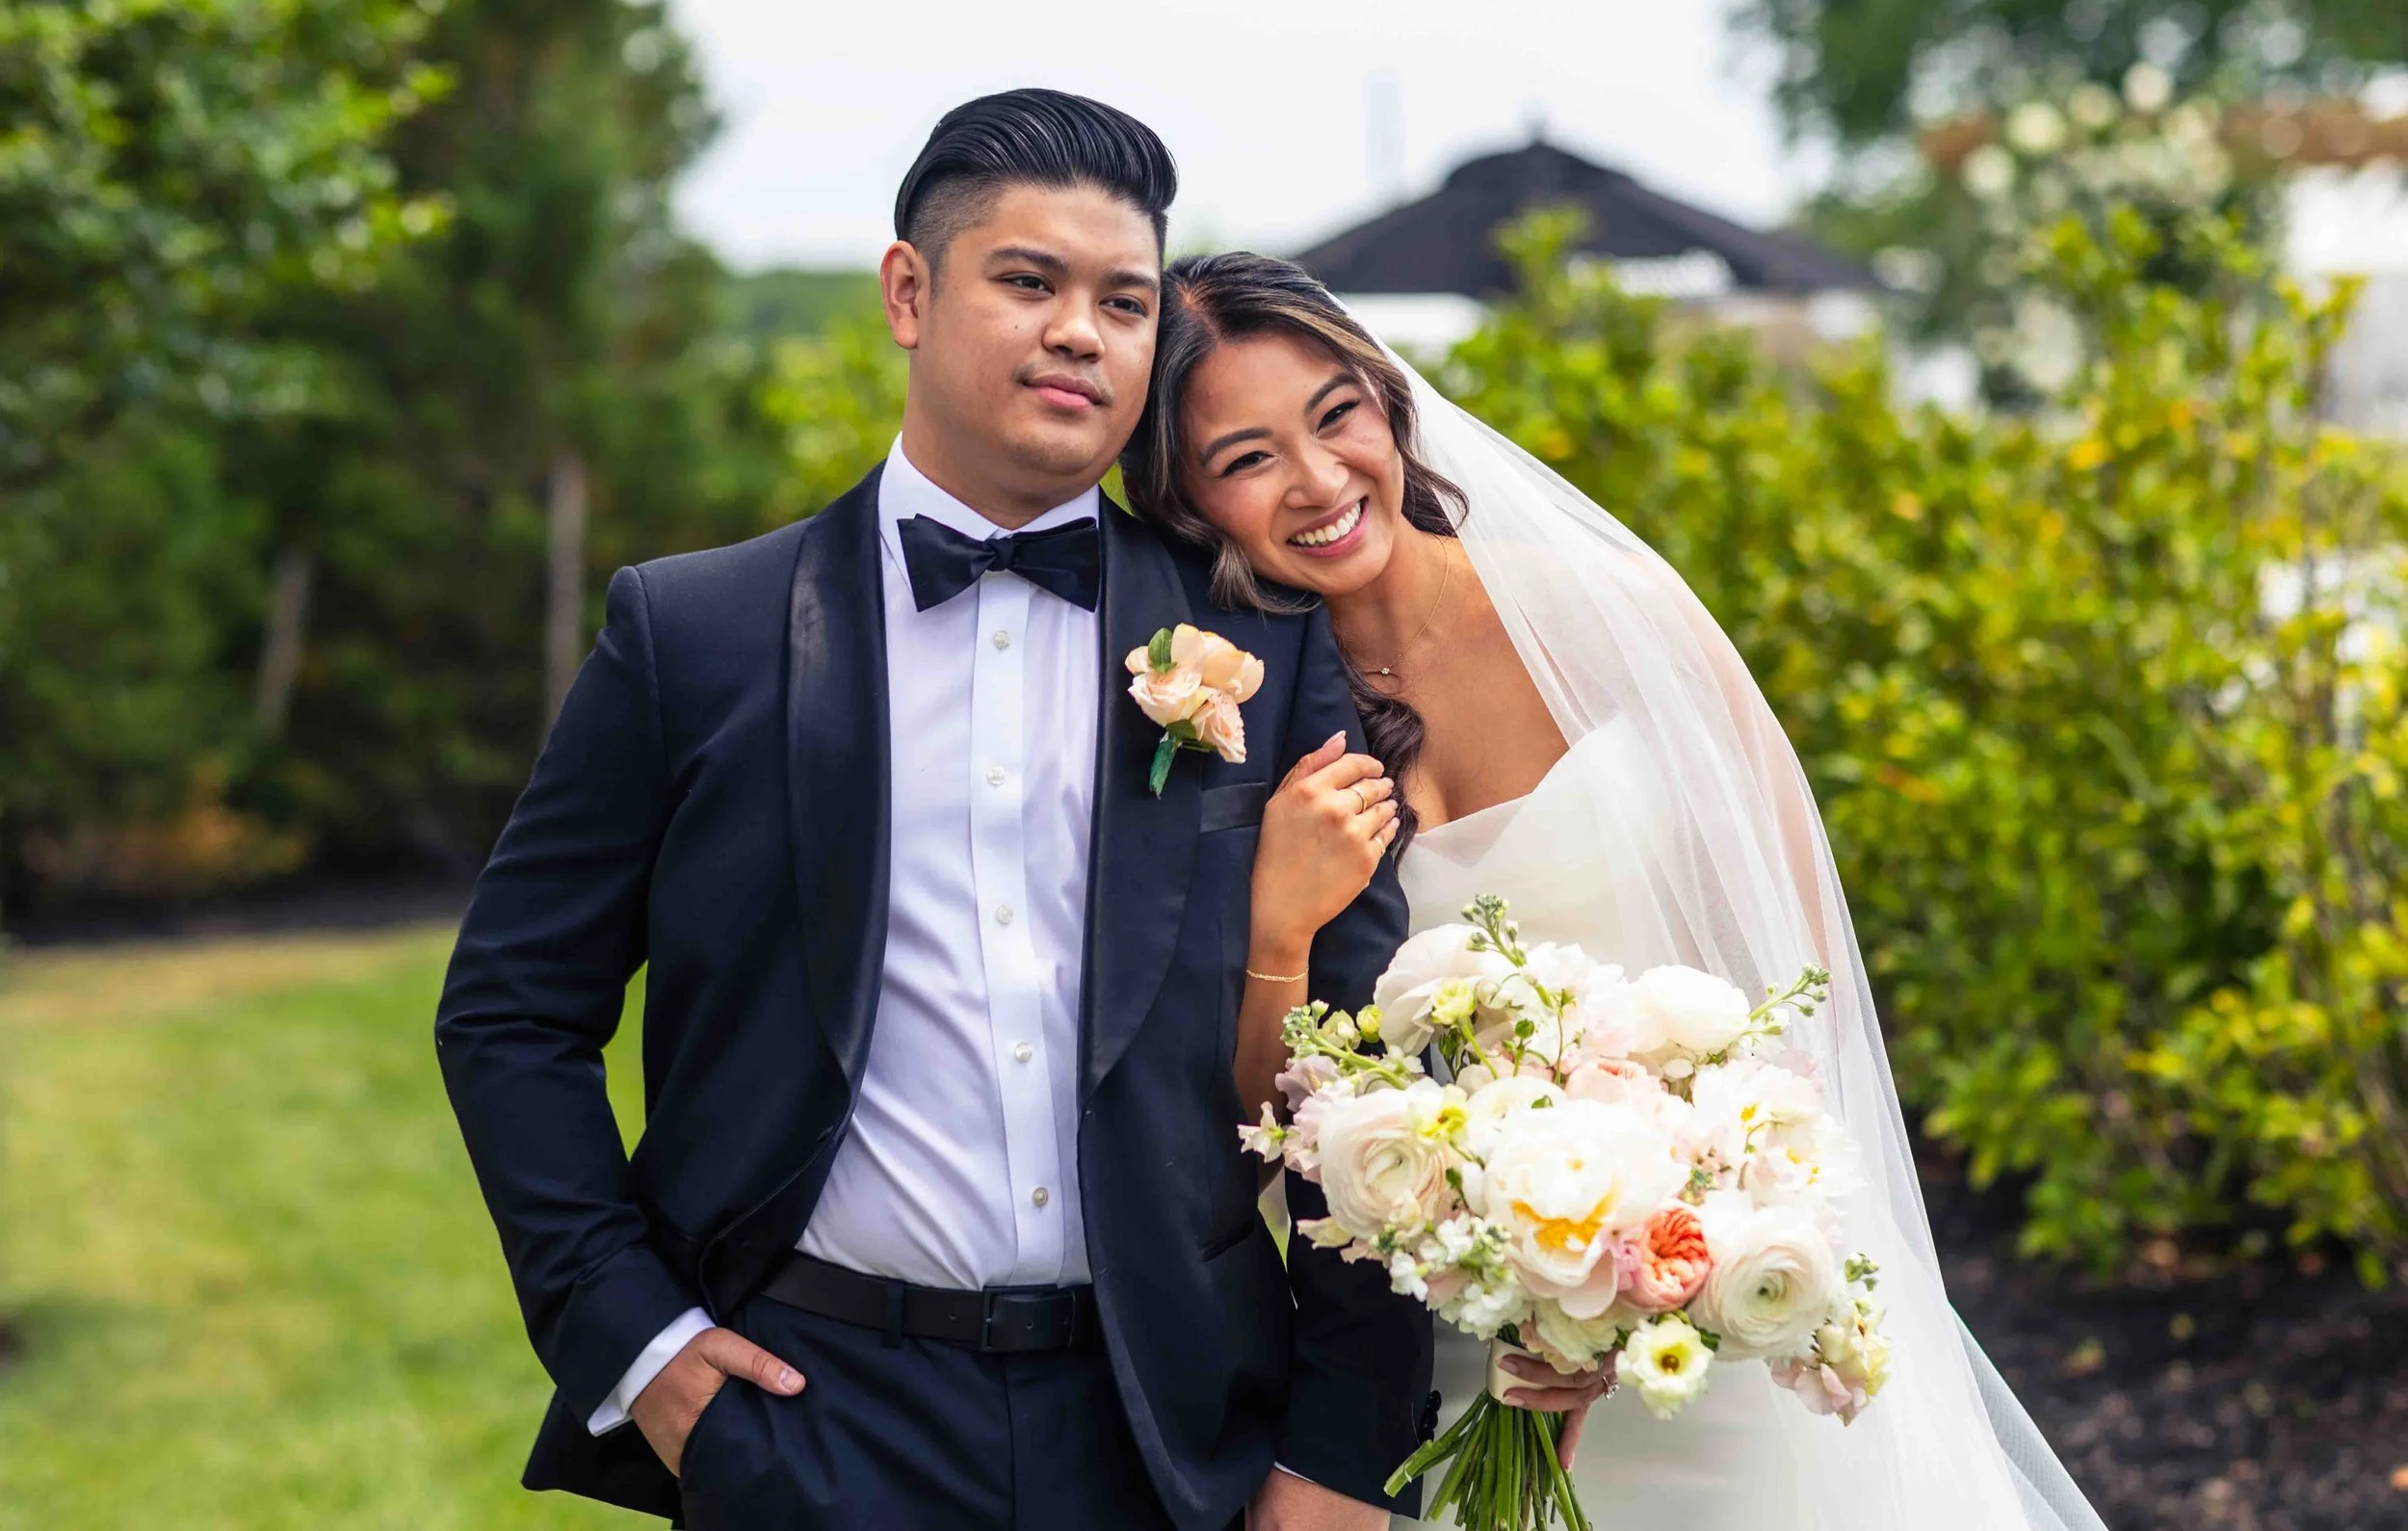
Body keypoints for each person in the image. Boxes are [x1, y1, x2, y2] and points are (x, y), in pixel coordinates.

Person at [433, 92, 1432, 1531]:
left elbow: (1369, 1084)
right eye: (1029, 281)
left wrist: (1343, 1449)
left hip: (1176, 1433)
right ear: (910, 291)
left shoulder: (1268, 653)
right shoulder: (694, 632)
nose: (1081, 331)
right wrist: (642, 1348)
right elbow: (511, 1011)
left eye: (1124, 299)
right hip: (809, 1420)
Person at [1119, 251, 2112, 1531]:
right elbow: (1259, 1122)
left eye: (1335, 415)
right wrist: (1280, 922)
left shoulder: (1609, 615)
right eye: (1246, 458)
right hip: (1466, 1349)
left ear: (1388, 402)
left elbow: (1793, 973)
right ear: (1189, 499)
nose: (1317, 481)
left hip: (1709, 1315)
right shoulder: (1235, 731)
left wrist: (1649, 1265)